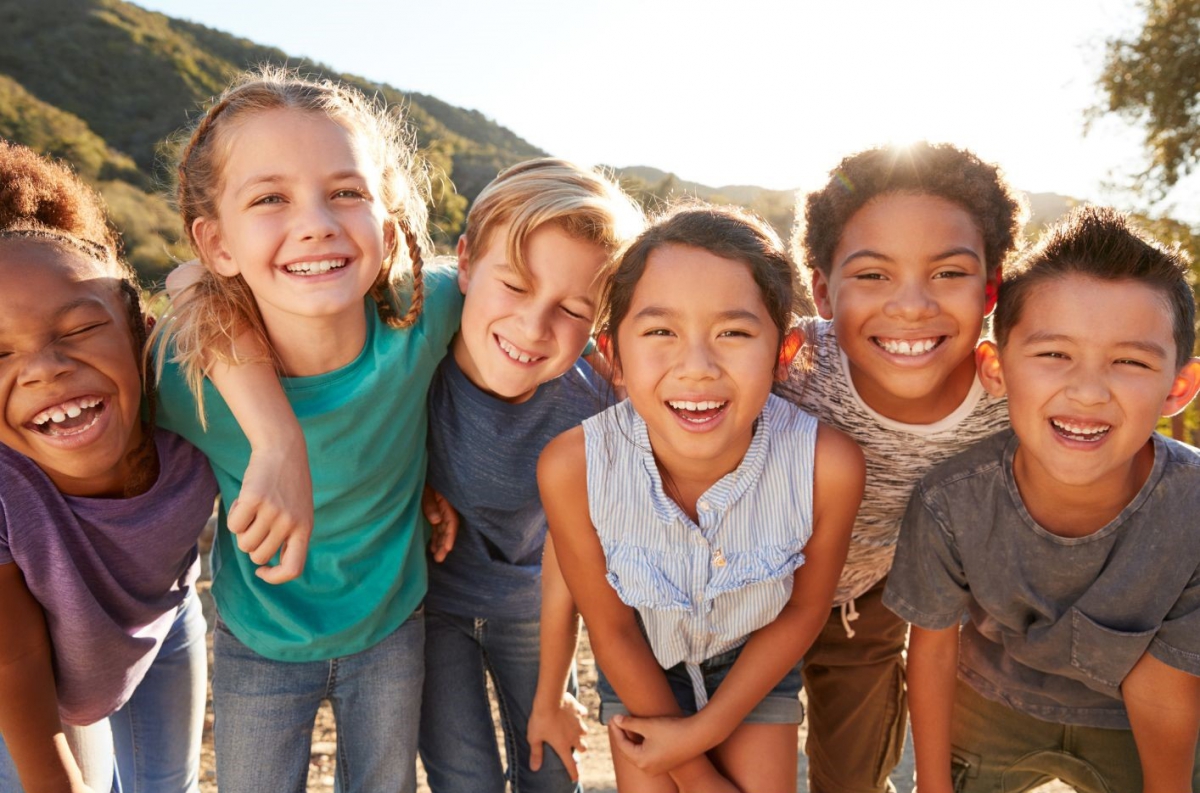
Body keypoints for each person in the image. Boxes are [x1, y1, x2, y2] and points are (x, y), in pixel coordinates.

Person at [151, 69, 462, 791]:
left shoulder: (425, 315)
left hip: (391, 623)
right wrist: (275, 434)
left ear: (388, 228)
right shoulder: (182, 372)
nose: (317, 221)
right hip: (260, 636)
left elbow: (532, 303)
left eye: (346, 191)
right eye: (270, 198)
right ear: (217, 242)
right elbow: (181, 282)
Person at [540, 204, 865, 792]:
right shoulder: (573, 466)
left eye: (733, 333)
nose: (697, 367)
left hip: (755, 660)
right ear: (614, 354)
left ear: (784, 354)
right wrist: (694, 773)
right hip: (640, 663)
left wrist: (706, 730)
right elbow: (611, 628)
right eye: (661, 331)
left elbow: (803, 610)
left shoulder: (827, 465)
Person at [886, 206, 1200, 793]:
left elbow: (1169, 684)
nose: (1087, 391)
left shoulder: (1192, 514)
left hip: (1131, 720)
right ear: (997, 368)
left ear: (1176, 388)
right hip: (991, 698)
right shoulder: (951, 501)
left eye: (1130, 361)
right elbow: (930, 650)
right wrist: (931, 785)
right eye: (1054, 354)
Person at [774, 142, 1025, 793]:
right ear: (824, 291)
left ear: (991, 287)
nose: (912, 304)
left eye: (947, 272)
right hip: (741, 595)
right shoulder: (788, 363)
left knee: (850, 777)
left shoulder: (1009, 401)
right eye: (873, 274)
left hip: (863, 603)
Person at [419, 158, 643, 793]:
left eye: (572, 308)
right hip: (433, 607)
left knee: (552, 771)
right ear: (465, 262)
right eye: (515, 286)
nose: (533, 326)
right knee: (465, 779)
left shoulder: (596, 404)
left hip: (539, 610)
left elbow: (577, 561)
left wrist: (555, 692)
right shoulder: (416, 359)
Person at [0, 141, 218, 791]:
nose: (44, 367)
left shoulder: (195, 413)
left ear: (143, 335)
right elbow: (16, 662)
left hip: (164, 624)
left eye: (76, 330)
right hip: (32, 680)